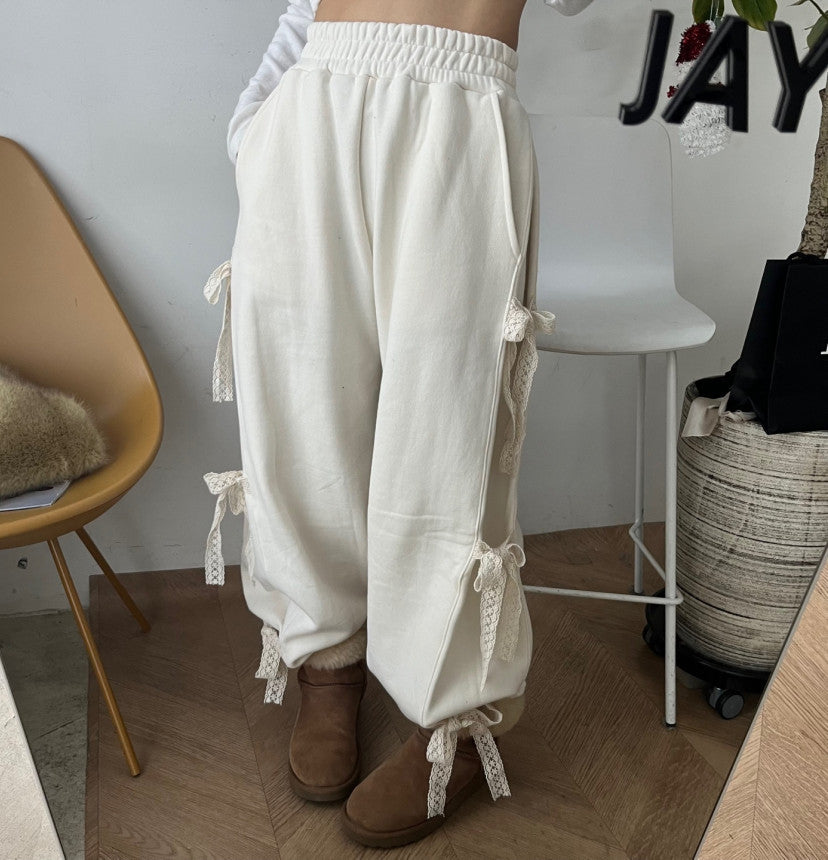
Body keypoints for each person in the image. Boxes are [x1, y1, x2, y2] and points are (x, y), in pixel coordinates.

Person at [203, 0, 595, 848]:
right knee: (303, 415)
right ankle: (328, 660)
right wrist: (256, 126)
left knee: (449, 432)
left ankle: (453, 721)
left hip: (464, 104)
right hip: (315, 101)